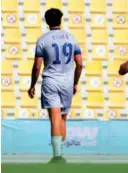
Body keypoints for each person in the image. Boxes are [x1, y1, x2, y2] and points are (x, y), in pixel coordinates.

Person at [28, 8, 83, 164]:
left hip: (51, 81)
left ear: (46, 21)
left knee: (54, 119)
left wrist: (32, 85)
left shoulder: (43, 40)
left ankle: (57, 156)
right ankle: (61, 154)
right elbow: (79, 64)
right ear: (61, 19)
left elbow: (37, 67)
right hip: (67, 81)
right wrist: (75, 83)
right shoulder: (72, 38)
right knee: (63, 119)